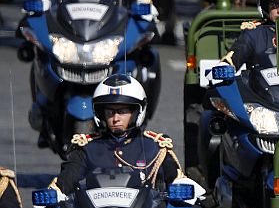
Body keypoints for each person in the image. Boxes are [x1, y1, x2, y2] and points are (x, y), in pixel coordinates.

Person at [52, 74, 182, 195]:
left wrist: (183, 188)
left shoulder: (156, 148)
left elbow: (178, 182)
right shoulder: (86, 148)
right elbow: (63, 186)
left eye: (122, 111)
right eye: (110, 112)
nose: (115, 118)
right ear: (100, 114)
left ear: (137, 112)